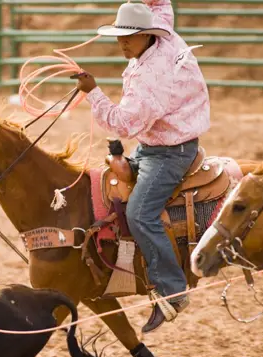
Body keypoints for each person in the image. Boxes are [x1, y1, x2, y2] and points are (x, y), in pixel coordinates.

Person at [72, 0, 211, 332]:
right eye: (120, 36)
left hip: (169, 153)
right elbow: (160, 3)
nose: (123, 43)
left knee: (139, 212)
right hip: (159, 145)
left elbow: (123, 123)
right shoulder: (164, 33)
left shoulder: (150, 76)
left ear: (147, 36)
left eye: (129, 38)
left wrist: (93, 94)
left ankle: (172, 291)